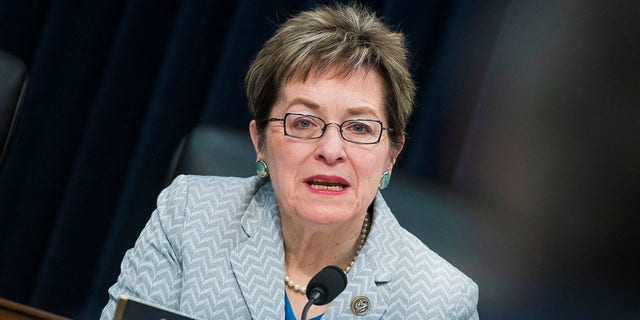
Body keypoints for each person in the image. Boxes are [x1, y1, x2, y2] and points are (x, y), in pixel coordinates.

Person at [100, 3, 478, 319]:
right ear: (259, 141)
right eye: (303, 122)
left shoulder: (440, 301)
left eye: (360, 128)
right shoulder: (189, 216)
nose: (331, 150)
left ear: (391, 155)